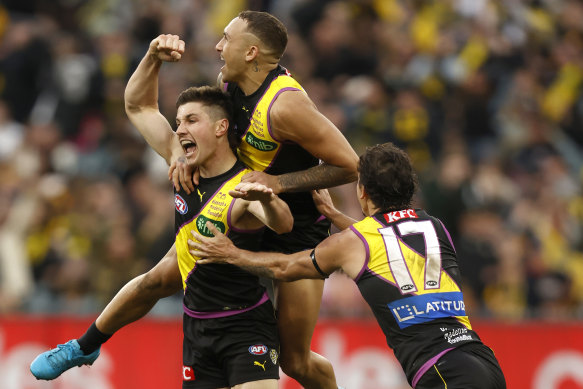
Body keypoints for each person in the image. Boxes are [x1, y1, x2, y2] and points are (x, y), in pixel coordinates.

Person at [31, 10, 358, 389]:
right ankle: (84, 345)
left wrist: (276, 184)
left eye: (226, 39)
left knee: (294, 359)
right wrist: (184, 154)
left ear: (251, 52)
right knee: (160, 278)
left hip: (294, 228)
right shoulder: (228, 85)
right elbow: (158, 114)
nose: (218, 47)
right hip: (236, 204)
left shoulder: (285, 106)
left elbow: (349, 165)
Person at [31, 82, 295, 388]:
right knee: (152, 280)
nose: (180, 129)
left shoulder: (242, 186)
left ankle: (83, 346)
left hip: (246, 326)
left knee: (155, 280)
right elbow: (138, 106)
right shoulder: (181, 163)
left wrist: (266, 198)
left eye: (192, 120)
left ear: (222, 126)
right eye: (179, 121)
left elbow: (282, 223)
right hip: (197, 328)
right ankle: (83, 346)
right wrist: (154, 56)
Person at [189, 143, 508, 389]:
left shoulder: (354, 242)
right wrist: (335, 216)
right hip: (482, 359)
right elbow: (388, 242)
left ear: (363, 191)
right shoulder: (434, 226)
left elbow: (287, 268)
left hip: (442, 369)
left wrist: (231, 253)